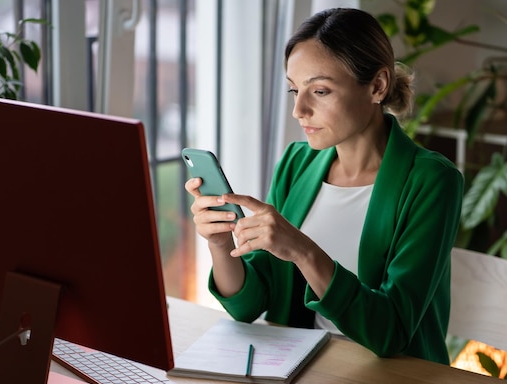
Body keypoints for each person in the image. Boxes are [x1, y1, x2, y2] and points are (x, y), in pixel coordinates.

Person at [185, 7, 463, 365]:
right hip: (305, 370)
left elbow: (390, 332)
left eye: (319, 90)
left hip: (396, 380)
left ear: (377, 86)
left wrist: (302, 249)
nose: (299, 110)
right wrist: (222, 246)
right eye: (294, 90)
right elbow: (249, 306)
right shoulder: (296, 163)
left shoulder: (432, 181)